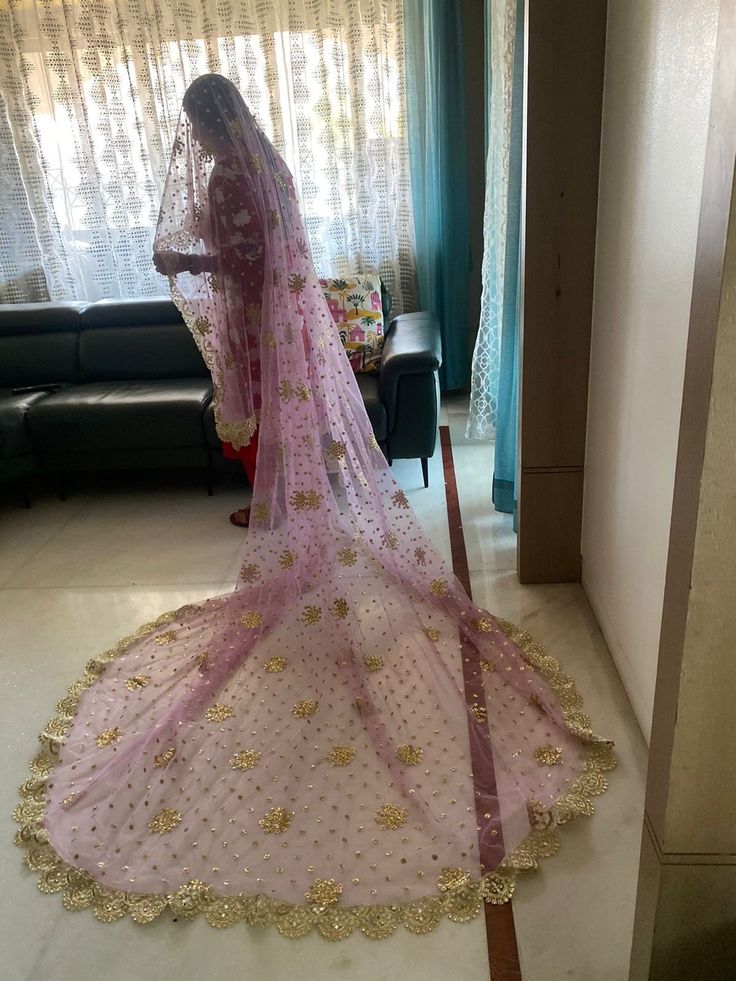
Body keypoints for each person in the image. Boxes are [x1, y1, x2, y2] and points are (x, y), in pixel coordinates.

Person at [15, 75, 615, 940]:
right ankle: (302, 532)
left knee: (273, 437)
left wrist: (185, 263)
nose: (198, 142)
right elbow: (283, 252)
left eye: (194, 128)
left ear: (204, 124)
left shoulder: (229, 176)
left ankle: (293, 537)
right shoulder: (271, 162)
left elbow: (247, 263)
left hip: (261, 327)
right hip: (291, 328)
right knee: (297, 443)